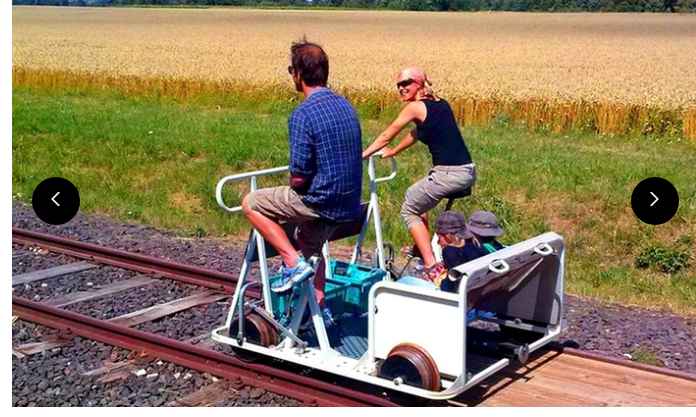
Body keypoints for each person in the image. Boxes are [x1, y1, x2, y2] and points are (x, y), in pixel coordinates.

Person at [241, 39, 363, 326]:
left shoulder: (303, 114)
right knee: (312, 247)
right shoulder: (346, 106)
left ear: (297, 73)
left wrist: (295, 186)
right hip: (348, 203)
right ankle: (318, 309)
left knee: (251, 203)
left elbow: (298, 176)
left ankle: (292, 264)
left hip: (320, 202)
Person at [362, 67, 476, 282]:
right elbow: (416, 134)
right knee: (416, 195)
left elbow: (387, 134)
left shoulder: (415, 107)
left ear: (420, 83)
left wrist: (361, 156)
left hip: (449, 173)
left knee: (409, 210)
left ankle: (432, 266)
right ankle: (423, 246)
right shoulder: (440, 103)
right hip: (466, 171)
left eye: (407, 83)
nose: (402, 88)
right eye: (399, 85)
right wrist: (393, 152)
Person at [433, 211, 487, 293]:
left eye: (439, 235)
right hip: (480, 284)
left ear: (447, 235)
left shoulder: (449, 251)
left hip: (462, 292)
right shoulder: (474, 244)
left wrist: (440, 282)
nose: (438, 242)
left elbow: (452, 282)